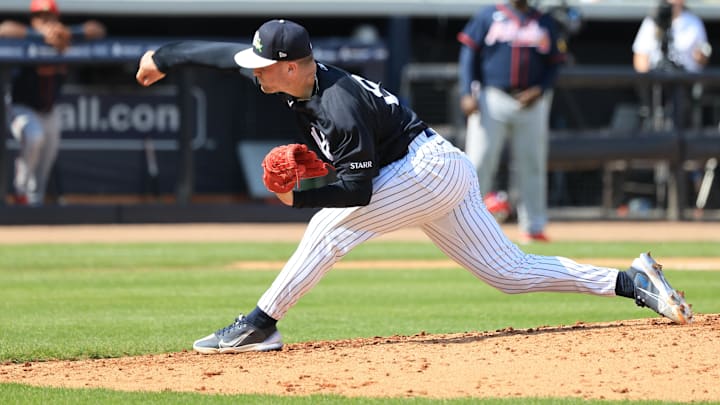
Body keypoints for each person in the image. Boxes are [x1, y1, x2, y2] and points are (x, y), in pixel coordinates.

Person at [135, 19, 692, 354]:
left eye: (263, 65)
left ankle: (260, 325)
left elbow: (355, 190)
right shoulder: (293, 77)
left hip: (425, 171)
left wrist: (295, 196)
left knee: (328, 226)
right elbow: (214, 55)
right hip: (434, 168)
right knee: (510, 274)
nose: (254, 71)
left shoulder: (337, 104)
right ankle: (630, 280)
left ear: (290, 65)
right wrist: (162, 57)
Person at [457, 0, 567, 243]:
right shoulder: (489, 15)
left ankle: (533, 226)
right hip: (491, 96)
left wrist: (541, 89)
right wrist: (466, 91)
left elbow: (556, 63)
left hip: (532, 101)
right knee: (478, 162)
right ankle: (465, 225)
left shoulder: (543, 21)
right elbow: (468, 54)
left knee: (533, 164)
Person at [0, 0, 106, 205]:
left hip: (49, 110)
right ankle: (20, 191)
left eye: (50, 16)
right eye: (41, 16)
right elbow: (3, 29)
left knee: (49, 153)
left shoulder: (65, 37)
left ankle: (35, 202)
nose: (46, 20)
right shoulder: (25, 38)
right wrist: (39, 35)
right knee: (33, 136)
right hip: (21, 106)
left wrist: (70, 33)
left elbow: (98, 29)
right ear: (33, 20)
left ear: (57, 18)